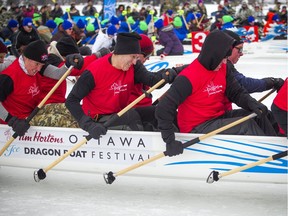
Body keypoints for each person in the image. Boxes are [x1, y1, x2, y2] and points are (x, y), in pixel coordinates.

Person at [155, 30, 276, 157]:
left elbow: (236, 92)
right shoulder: (188, 77)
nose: (225, 62)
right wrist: (169, 140)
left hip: (217, 116)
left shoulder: (223, 67)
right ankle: (268, 158)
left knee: (259, 114)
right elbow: (163, 108)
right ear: (213, 55)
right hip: (196, 126)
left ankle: (277, 149)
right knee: (246, 124)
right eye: (223, 58)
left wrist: (252, 104)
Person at [65, 32, 177, 139]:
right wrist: (88, 125)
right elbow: (71, 100)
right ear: (121, 53)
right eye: (133, 57)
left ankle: (181, 137)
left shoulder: (133, 66)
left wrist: (169, 73)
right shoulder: (94, 72)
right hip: (98, 120)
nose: (135, 62)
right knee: (134, 121)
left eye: (137, 58)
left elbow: (152, 80)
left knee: (159, 112)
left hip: (119, 113)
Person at [0, 40, 83, 136]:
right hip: (18, 123)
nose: (39, 69)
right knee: (62, 120)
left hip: (33, 112)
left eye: (42, 65)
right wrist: (12, 121)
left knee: (69, 108)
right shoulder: (8, 77)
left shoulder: (37, 67)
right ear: (26, 58)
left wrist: (68, 64)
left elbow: (58, 74)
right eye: (36, 64)